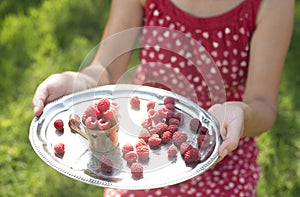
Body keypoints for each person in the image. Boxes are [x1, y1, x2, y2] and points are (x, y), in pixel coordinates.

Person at [32, 0, 294, 196]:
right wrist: (81, 82)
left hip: (224, 153)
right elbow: (107, 68)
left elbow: (263, 105)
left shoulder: (271, 5)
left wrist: (239, 113)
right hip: (144, 147)